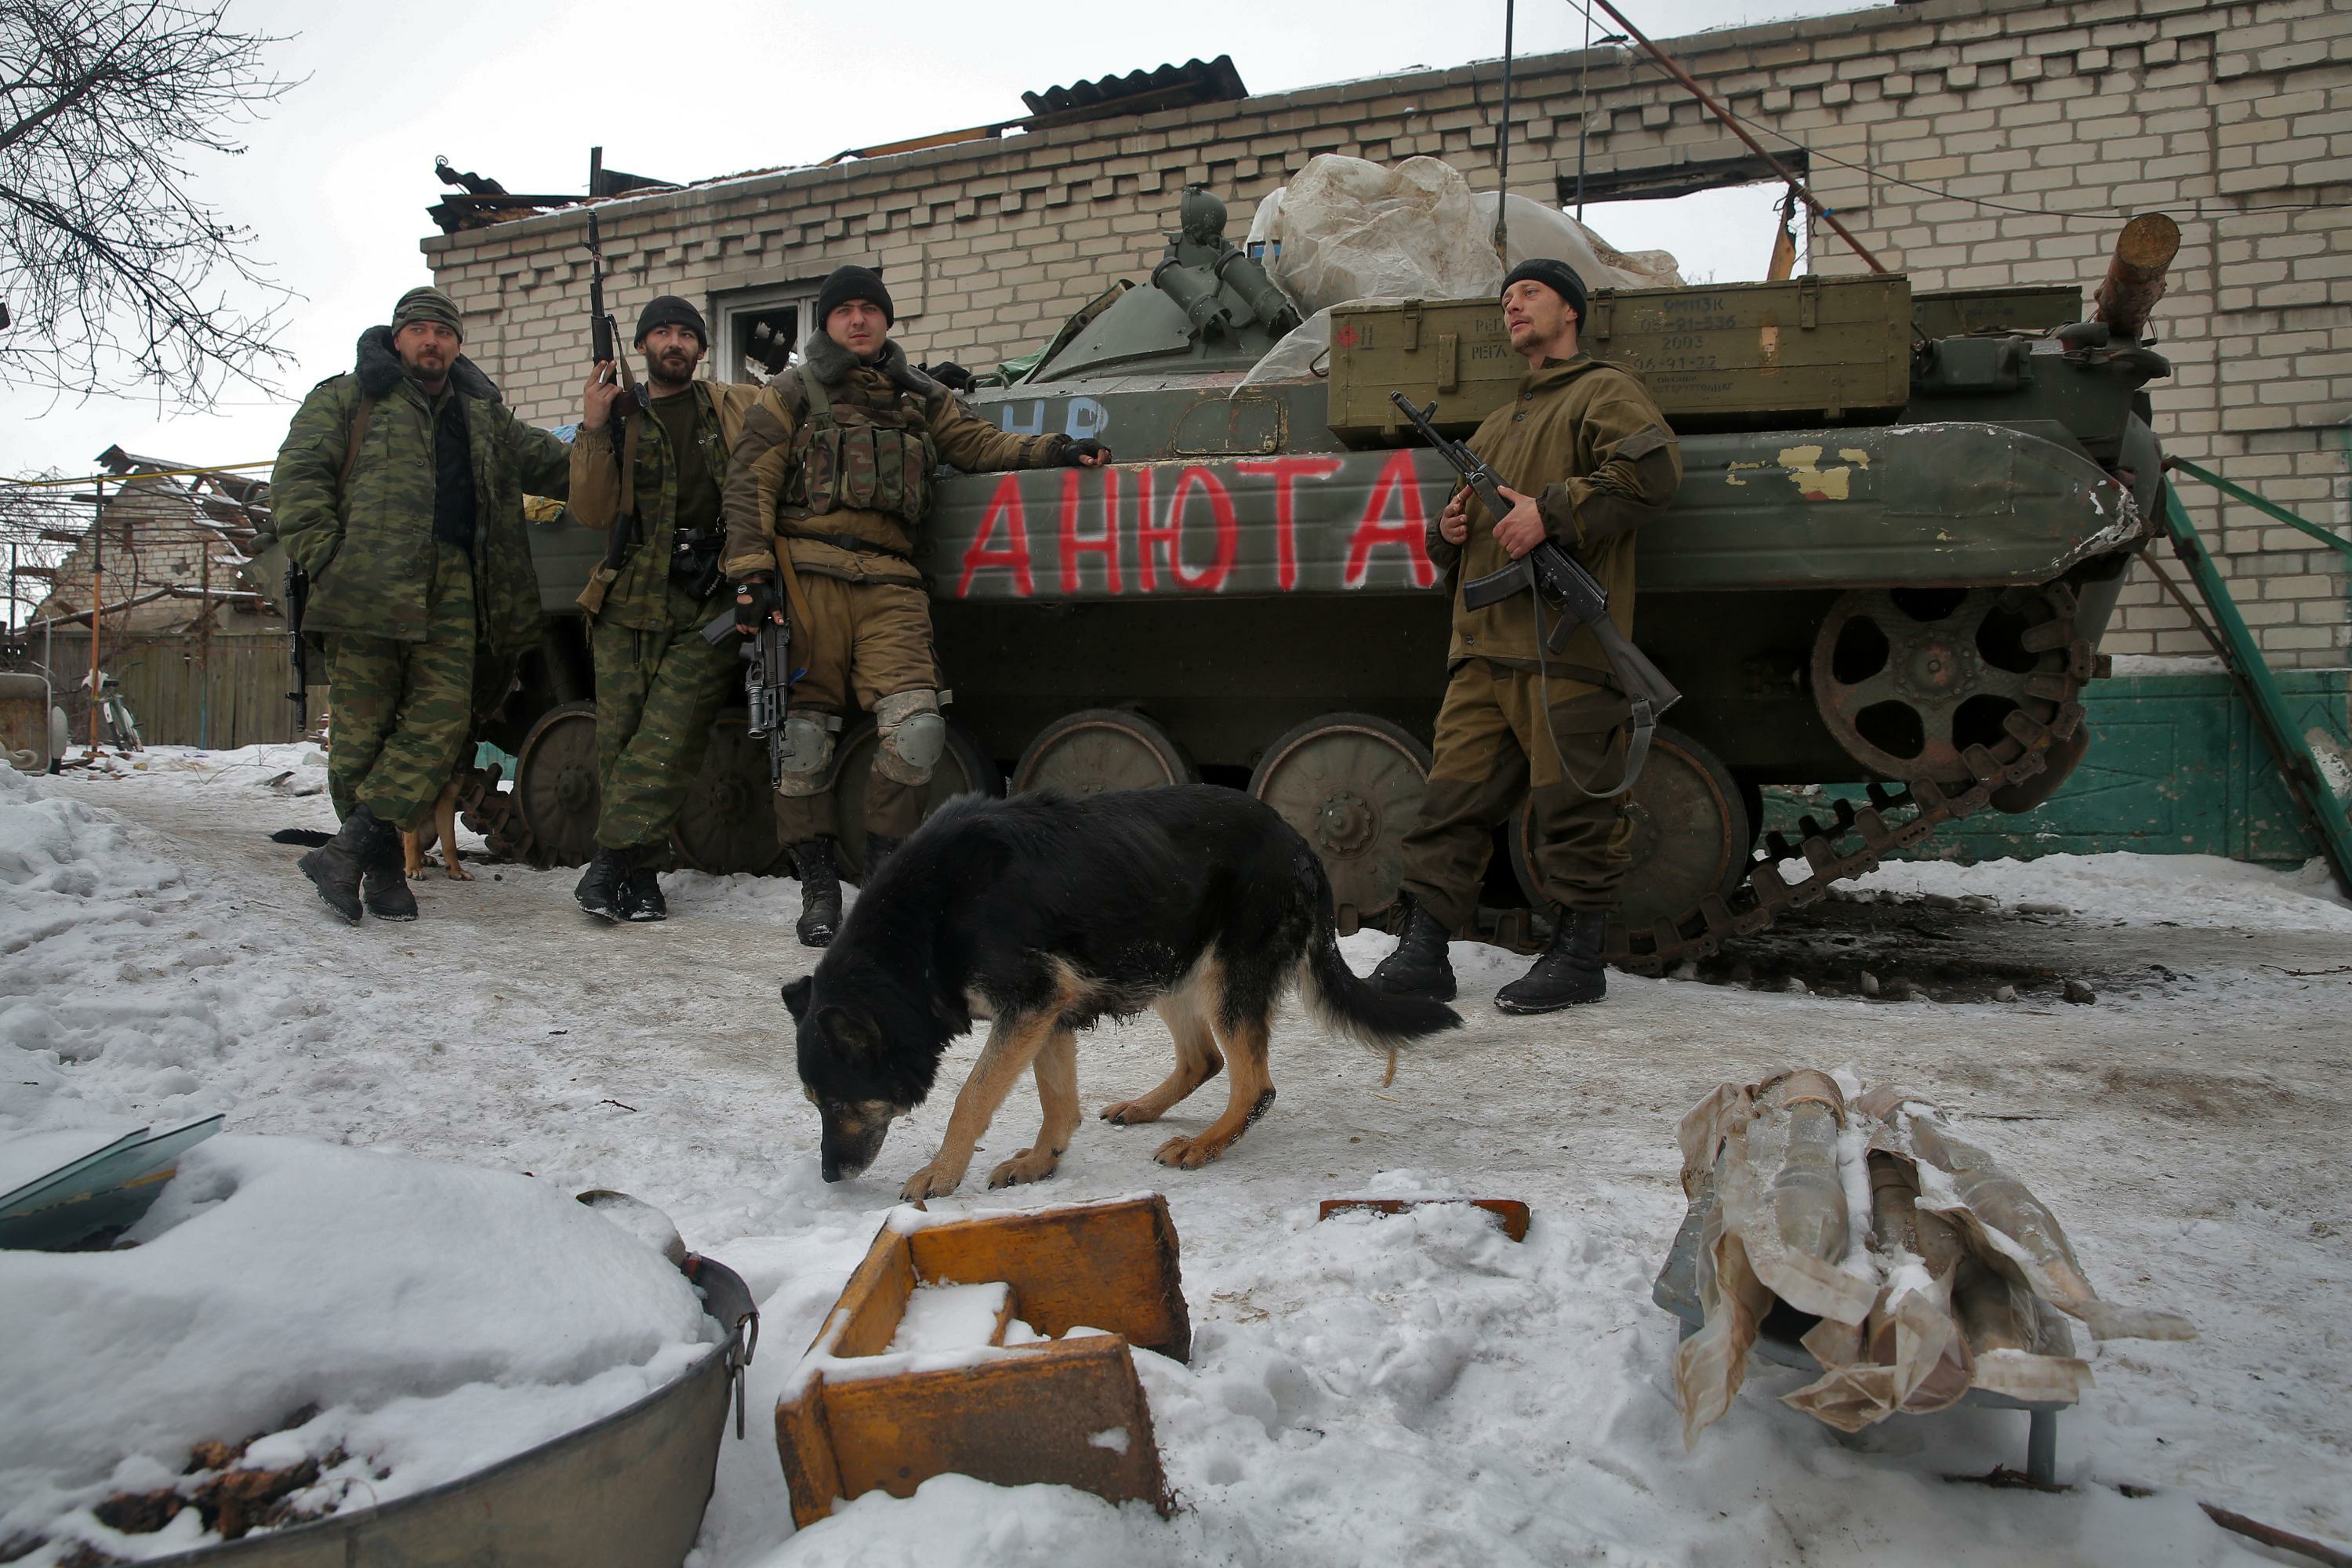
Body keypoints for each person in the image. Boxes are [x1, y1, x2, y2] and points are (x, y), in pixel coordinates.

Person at [720, 265, 1109, 946]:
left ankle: (883, 878)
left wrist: (1054, 447)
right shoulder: (792, 392)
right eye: (846, 312)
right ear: (829, 322)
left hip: (891, 584)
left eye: (872, 310)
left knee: (917, 731)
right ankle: (816, 886)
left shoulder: (918, 398)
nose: (860, 321)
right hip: (805, 578)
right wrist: (751, 576)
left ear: (887, 322)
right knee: (802, 740)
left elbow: (980, 443)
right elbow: (750, 482)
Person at [1370, 259, 1682, 1012]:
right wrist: (1446, 532)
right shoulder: (1496, 423)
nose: (1513, 307)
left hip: (1563, 649)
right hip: (1483, 650)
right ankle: (1422, 954)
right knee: (1448, 809)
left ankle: (1577, 958)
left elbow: (1654, 471)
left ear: (1570, 311)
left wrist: (1553, 511)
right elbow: (1464, 535)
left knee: (1574, 810)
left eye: (1529, 295)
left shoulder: (1601, 391)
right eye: (1505, 299)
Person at [271, 286, 571, 924]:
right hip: (364, 586)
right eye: (420, 330)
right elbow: (298, 481)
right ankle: (379, 871)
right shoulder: (347, 399)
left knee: (439, 731)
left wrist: (604, 429)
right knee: (360, 741)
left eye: (444, 332)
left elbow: (555, 465)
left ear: (458, 344)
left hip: (455, 587)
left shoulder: (482, 415)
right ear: (397, 336)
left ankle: (347, 851)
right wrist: (332, 559)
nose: (432, 341)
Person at [567, 296, 765, 922]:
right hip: (630, 600)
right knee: (620, 745)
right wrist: (594, 427)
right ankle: (642, 875)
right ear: (644, 346)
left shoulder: (729, 406)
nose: (674, 343)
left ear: (702, 349)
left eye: (686, 333)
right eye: (662, 333)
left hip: (706, 601)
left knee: (669, 741)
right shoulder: (621, 415)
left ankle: (606, 866)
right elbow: (593, 513)